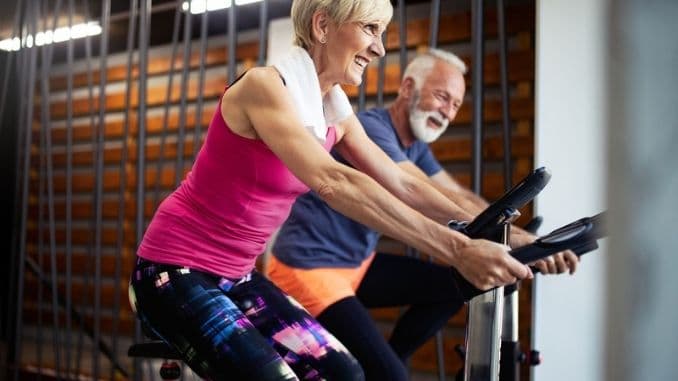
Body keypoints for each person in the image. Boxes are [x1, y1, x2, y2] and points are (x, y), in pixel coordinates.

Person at [128, 0, 533, 379]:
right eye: (370, 29)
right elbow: (332, 179)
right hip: (172, 271)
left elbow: (401, 181)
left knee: (346, 373)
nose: (378, 48)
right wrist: (458, 251)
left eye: (382, 33)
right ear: (323, 25)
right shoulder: (264, 87)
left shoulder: (332, 107)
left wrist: (488, 230)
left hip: (238, 276)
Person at [266, 48, 579, 380]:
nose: (447, 112)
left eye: (455, 105)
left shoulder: (415, 145)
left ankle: (391, 364)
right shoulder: (373, 128)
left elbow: (457, 194)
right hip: (308, 268)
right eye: (441, 96)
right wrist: (518, 238)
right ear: (407, 89)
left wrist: (512, 229)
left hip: (356, 265)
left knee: (460, 283)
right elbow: (417, 191)